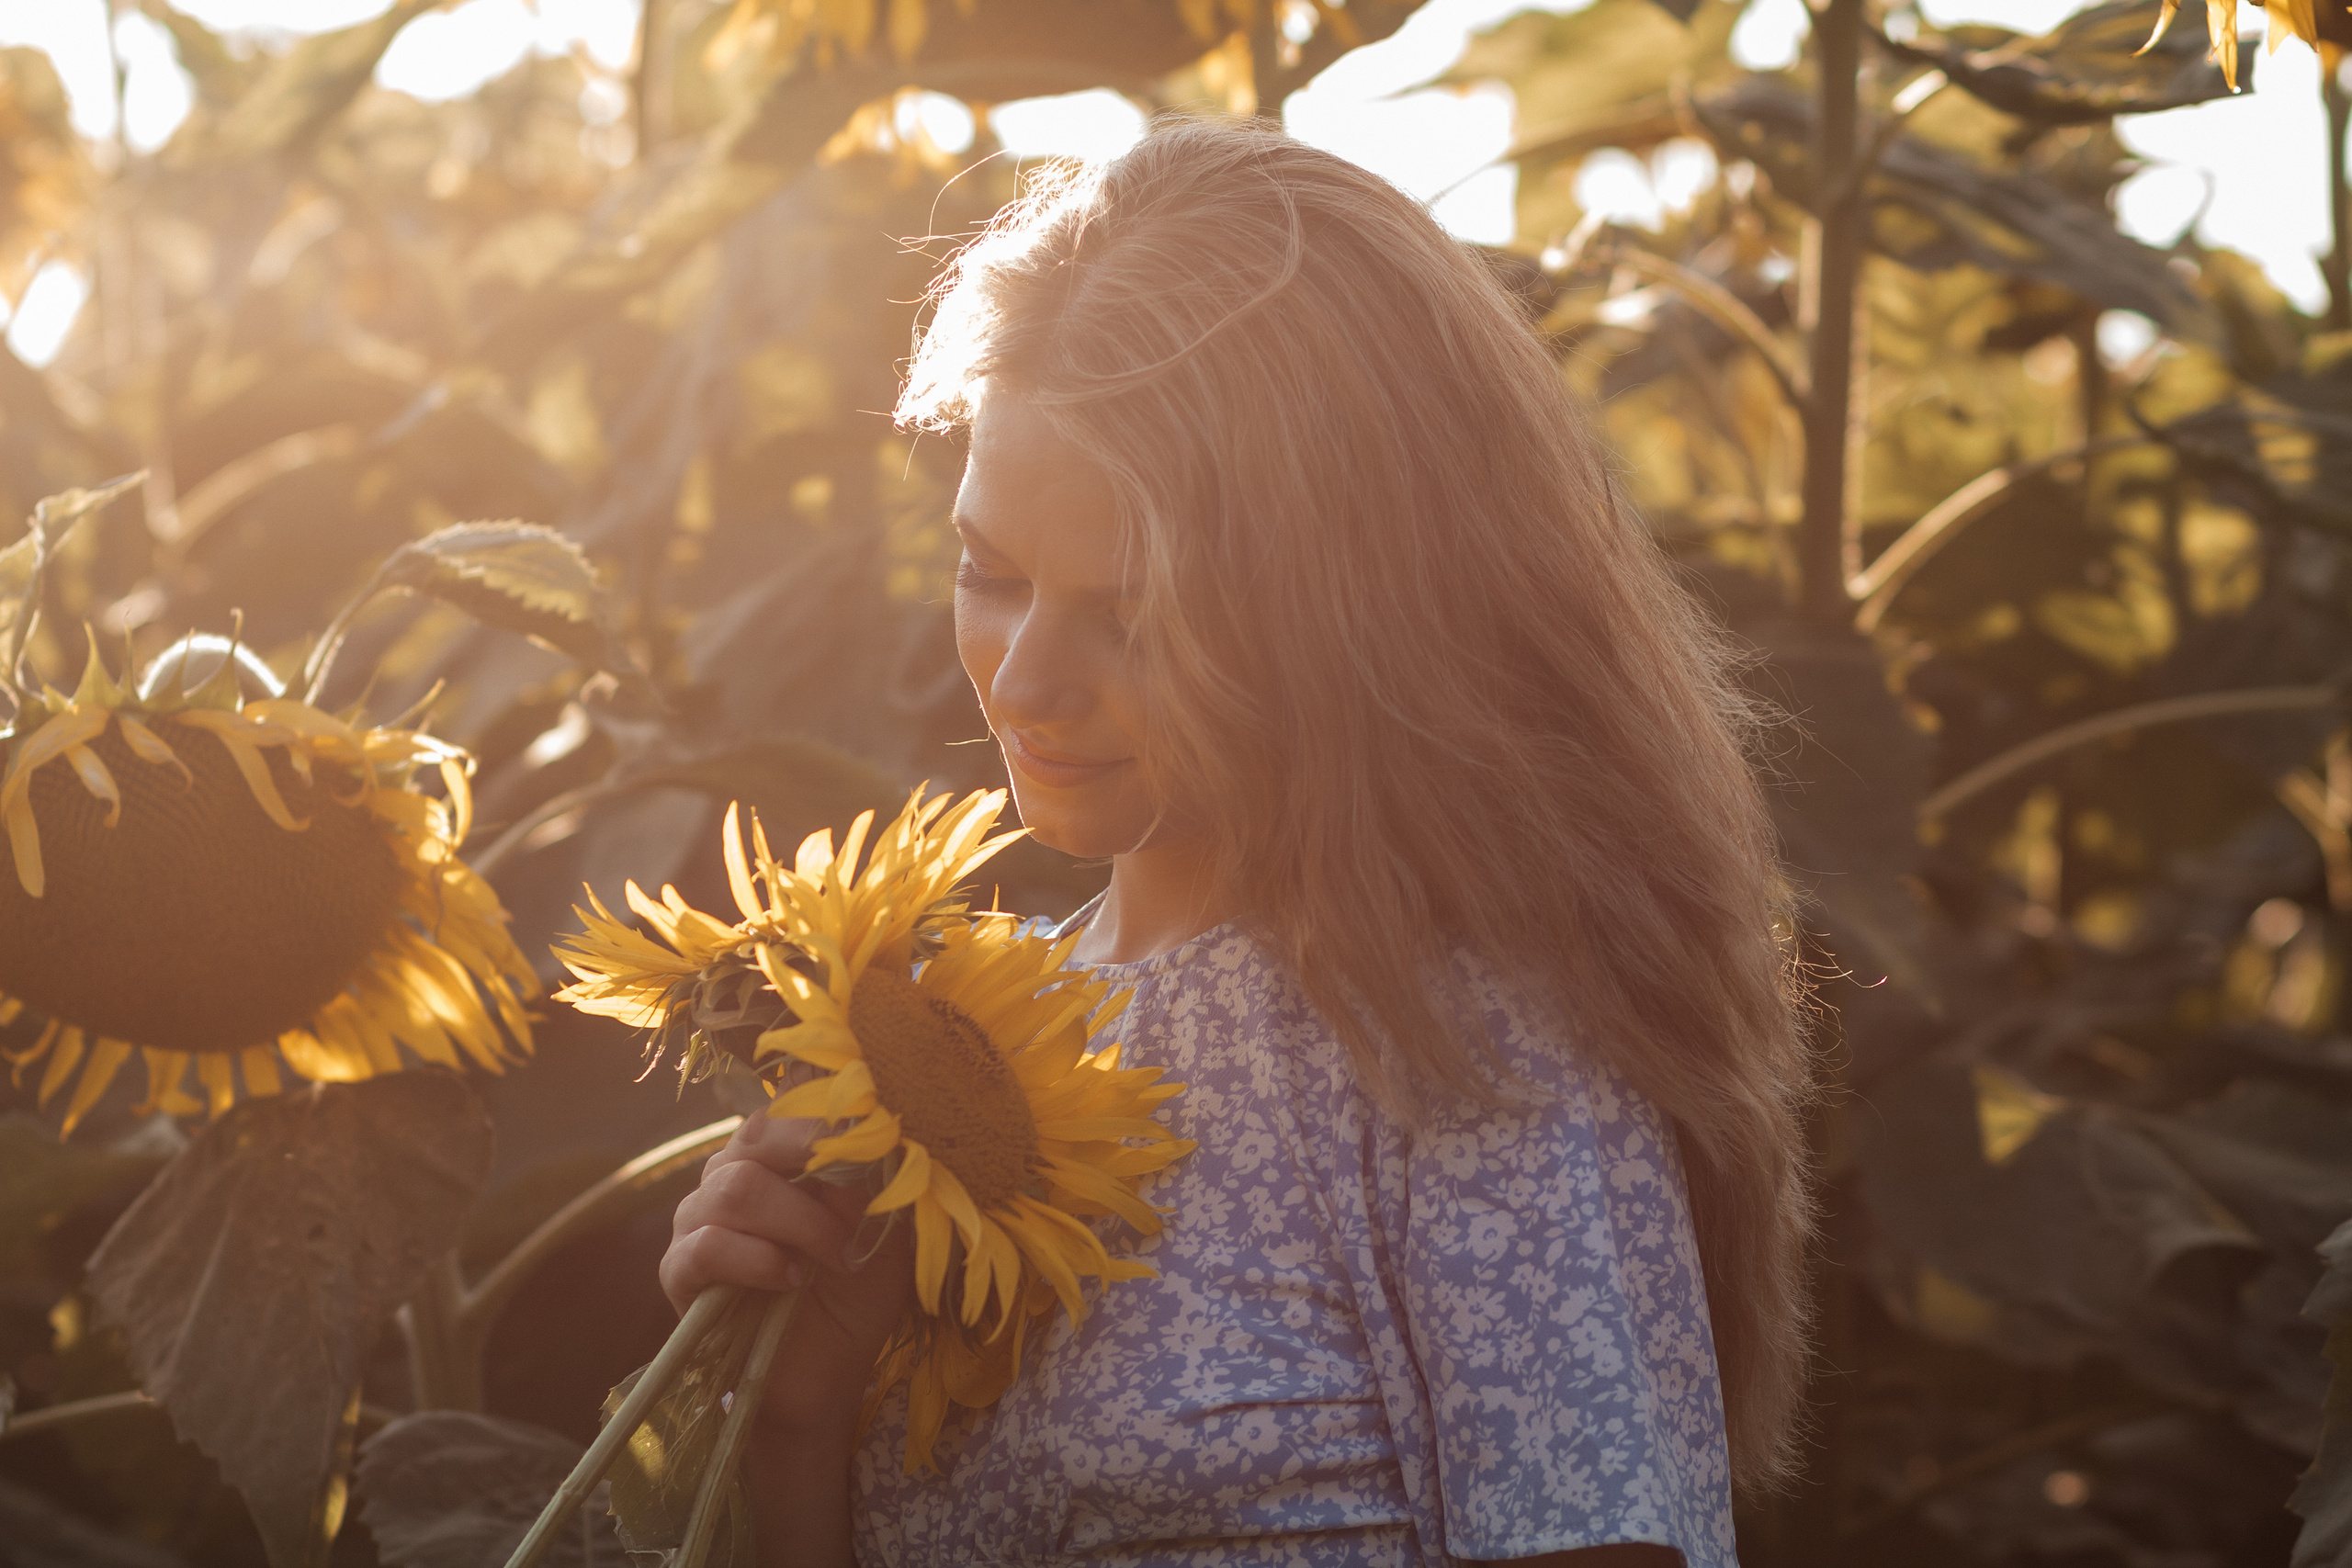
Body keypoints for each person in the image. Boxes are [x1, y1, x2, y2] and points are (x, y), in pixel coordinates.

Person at [659, 116, 1816, 1568]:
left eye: (1135, 611)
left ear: (1352, 616)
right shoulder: (969, 1048)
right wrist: (798, 1418)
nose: (1023, 681)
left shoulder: (1460, 1046)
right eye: (990, 572)